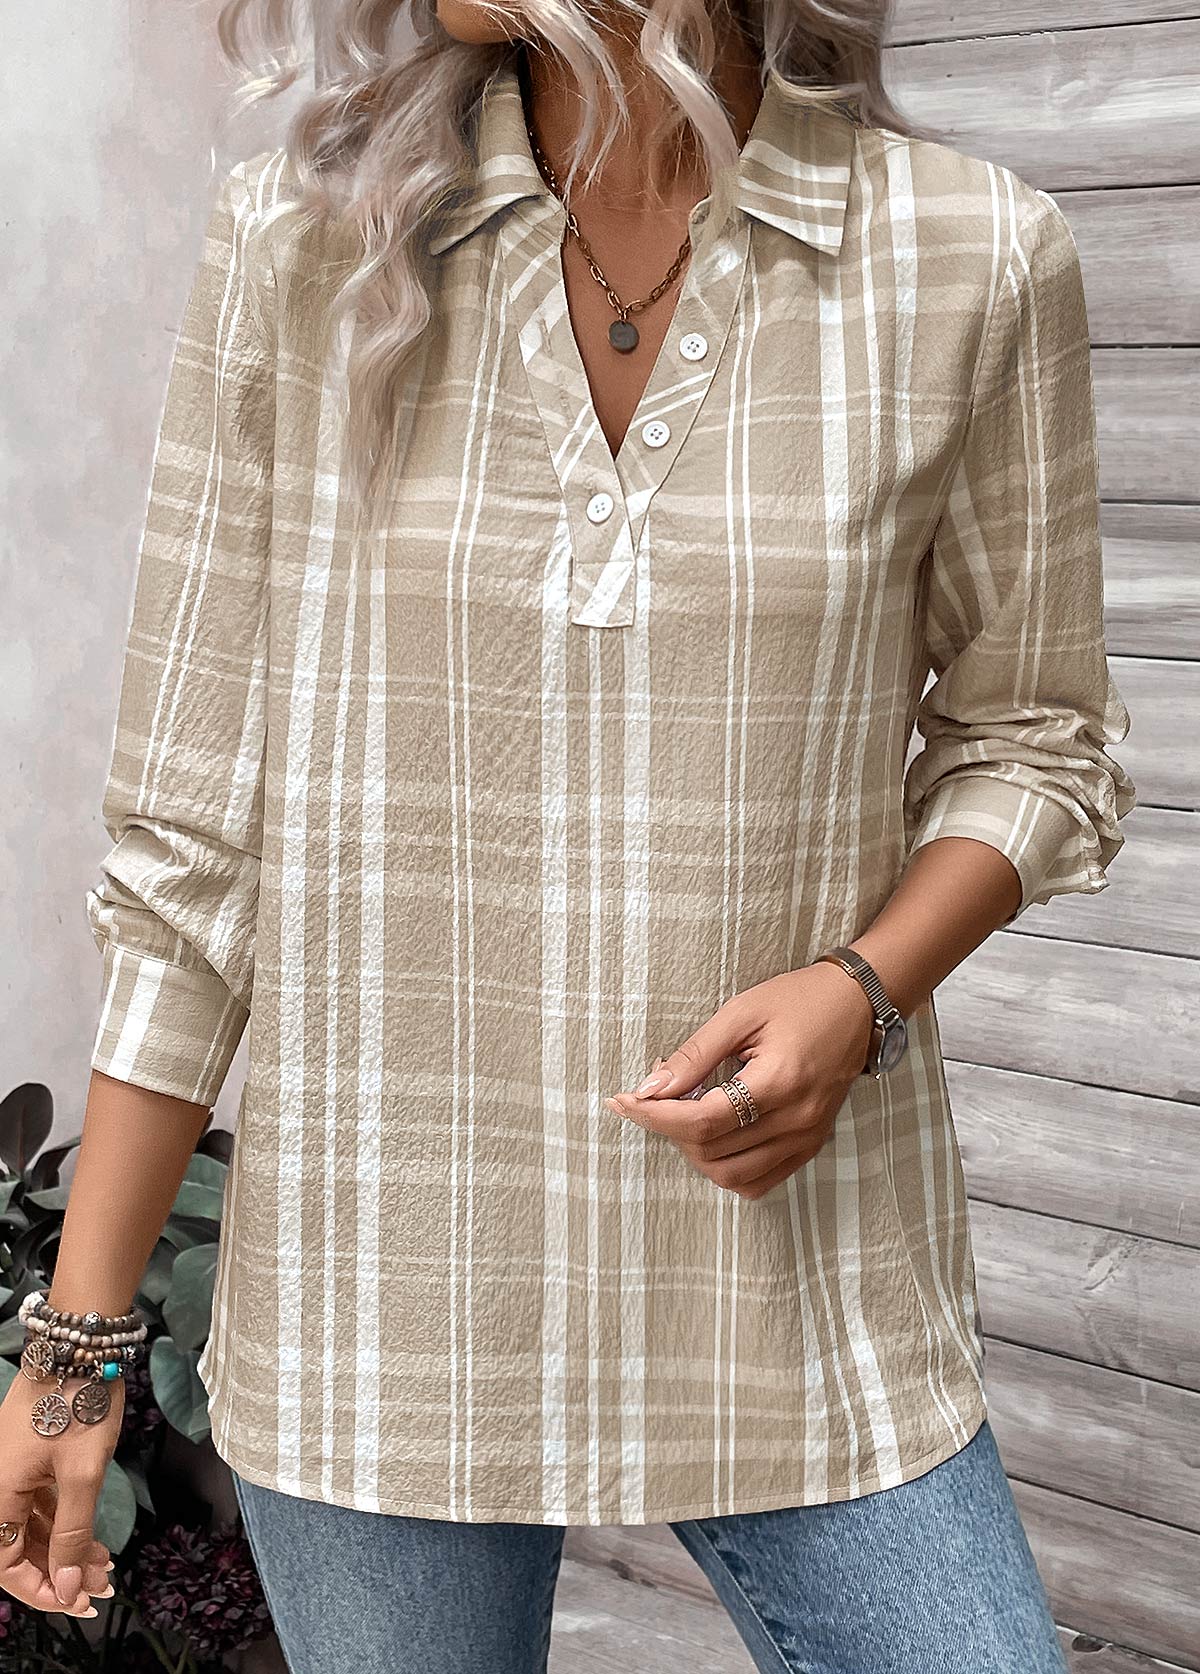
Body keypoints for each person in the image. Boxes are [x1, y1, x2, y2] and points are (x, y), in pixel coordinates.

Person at [2, 0, 1136, 1669]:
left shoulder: (965, 256)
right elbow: (192, 846)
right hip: (384, 1308)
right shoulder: (301, 249)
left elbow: (1036, 735)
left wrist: (865, 987)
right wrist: (76, 1347)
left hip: (795, 1286)